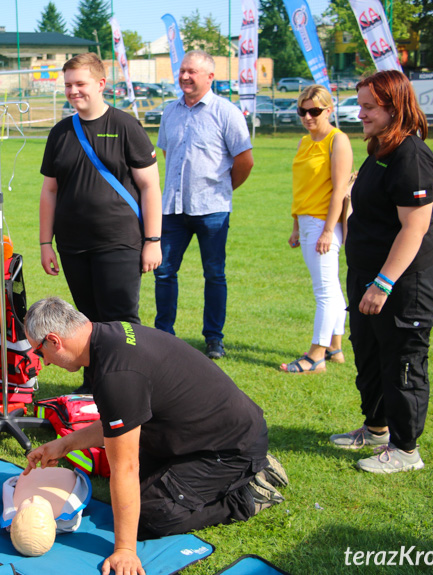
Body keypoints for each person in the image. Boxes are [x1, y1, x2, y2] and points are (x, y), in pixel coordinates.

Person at [23, 297, 288, 575]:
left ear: (54, 341)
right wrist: (63, 445)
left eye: (39, 352)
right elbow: (118, 424)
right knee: (132, 496)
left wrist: (125, 549)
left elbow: (124, 467)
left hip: (229, 447)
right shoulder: (107, 337)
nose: (46, 363)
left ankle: (249, 493)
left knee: (150, 514)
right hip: (201, 434)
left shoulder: (116, 372)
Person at [330, 70, 433, 474]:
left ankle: (405, 449)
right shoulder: (380, 150)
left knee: (402, 360)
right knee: (370, 355)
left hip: (403, 282)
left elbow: (414, 228)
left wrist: (383, 283)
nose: (359, 113)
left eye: (368, 107)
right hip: (367, 274)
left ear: (394, 108)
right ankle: (377, 429)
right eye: (359, 104)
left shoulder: (411, 154)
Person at [38, 53, 162, 393]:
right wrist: (45, 243)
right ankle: (94, 384)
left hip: (119, 241)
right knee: (87, 321)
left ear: (101, 84)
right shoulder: (61, 132)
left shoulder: (126, 126)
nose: (74, 91)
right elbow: (49, 191)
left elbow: (151, 186)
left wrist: (153, 240)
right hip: (73, 246)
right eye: (68, 85)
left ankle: (132, 386)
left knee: (121, 321)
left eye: (81, 84)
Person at [154, 50, 254, 360]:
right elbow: (169, 155)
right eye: (182, 70)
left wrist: (222, 189)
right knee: (164, 273)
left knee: (214, 274)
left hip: (212, 209)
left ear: (210, 77)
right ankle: (163, 336)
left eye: (192, 72)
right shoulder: (170, 112)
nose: (184, 76)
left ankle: (213, 339)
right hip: (172, 209)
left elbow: (244, 161)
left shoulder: (227, 113)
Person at [280, 85, 353, 373]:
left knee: (324, 291)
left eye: (314, 111)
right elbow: (302, 188)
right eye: (302, 111)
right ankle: (335, 348)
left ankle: (316, 355)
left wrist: (327, 230)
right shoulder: (304, 142)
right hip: (307, 221)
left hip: (324, 222)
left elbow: (339, 190)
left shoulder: (338, 141)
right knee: (331, 288)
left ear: (329, 110)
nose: (308, 117)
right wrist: (296, 225)